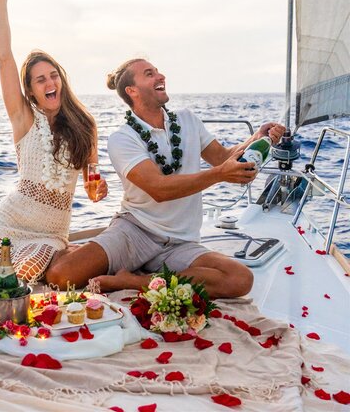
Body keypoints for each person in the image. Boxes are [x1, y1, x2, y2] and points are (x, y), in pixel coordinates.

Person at [47, 58, 285, 298]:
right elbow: (159, 189)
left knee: (239, 279)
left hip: (181, 242)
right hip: (136, 232)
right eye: (150, 74)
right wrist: (219, 175)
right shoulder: (122, 138)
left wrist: (256, 138)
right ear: (132, 91)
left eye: (158, 71)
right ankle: (108, 258)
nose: (161, 76)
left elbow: (222, 157)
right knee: (60, 276)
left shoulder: (187, 120)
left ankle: (133, 281)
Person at [0, 0, 107, 288]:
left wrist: (97, 189)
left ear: (61, 79)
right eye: (40, 79)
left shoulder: (85, 125)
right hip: (9, 218)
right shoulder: (23, 117)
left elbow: (92, 184)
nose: (50, 82)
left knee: (16, 280)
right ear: (31, 90)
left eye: (54, 75)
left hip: (49, 233)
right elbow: (4, 57)